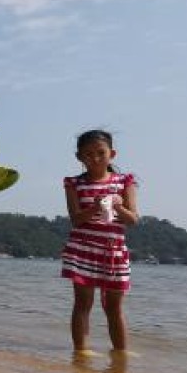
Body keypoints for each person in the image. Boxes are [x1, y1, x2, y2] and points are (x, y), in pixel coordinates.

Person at [60, 129, 139, 354]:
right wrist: (95, 207)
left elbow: (132, 219)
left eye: (100, 153)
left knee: (114, 308)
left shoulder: (125, 182)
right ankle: (81, 352)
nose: (94, 158)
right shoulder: (74, 184)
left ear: (112, 154)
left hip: (113, 253)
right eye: (87, 154)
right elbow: (75, 220)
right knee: (83, 305)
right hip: (82, 249)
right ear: (79, 158)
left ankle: (121, 355)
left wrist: (117, 206)